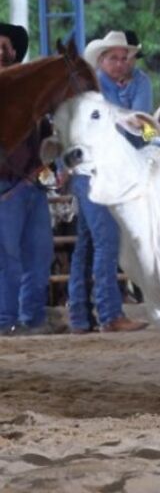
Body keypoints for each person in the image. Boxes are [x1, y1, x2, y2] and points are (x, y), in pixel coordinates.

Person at [68, 31, 149, 333]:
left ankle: (79, 316)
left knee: (89, 243)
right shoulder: (91, 87)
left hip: (115, 168)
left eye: (123, 57)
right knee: (105, 241)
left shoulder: (141, 81)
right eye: (112, 58)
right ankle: (109, 314)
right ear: (101, 61)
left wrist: (151, 135)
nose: (119, 62)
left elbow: (143, 123)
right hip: (93, 171)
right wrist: (132, 126)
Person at [0, 23, 57, 336]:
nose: (2, 53)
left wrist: (51, 161)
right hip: (7, 186)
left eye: (6, 48)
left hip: (34, 183)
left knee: (39, 255)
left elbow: (149, 130)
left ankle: (31, 318)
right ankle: (7, 320)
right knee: (8, 258)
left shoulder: (139, 88)